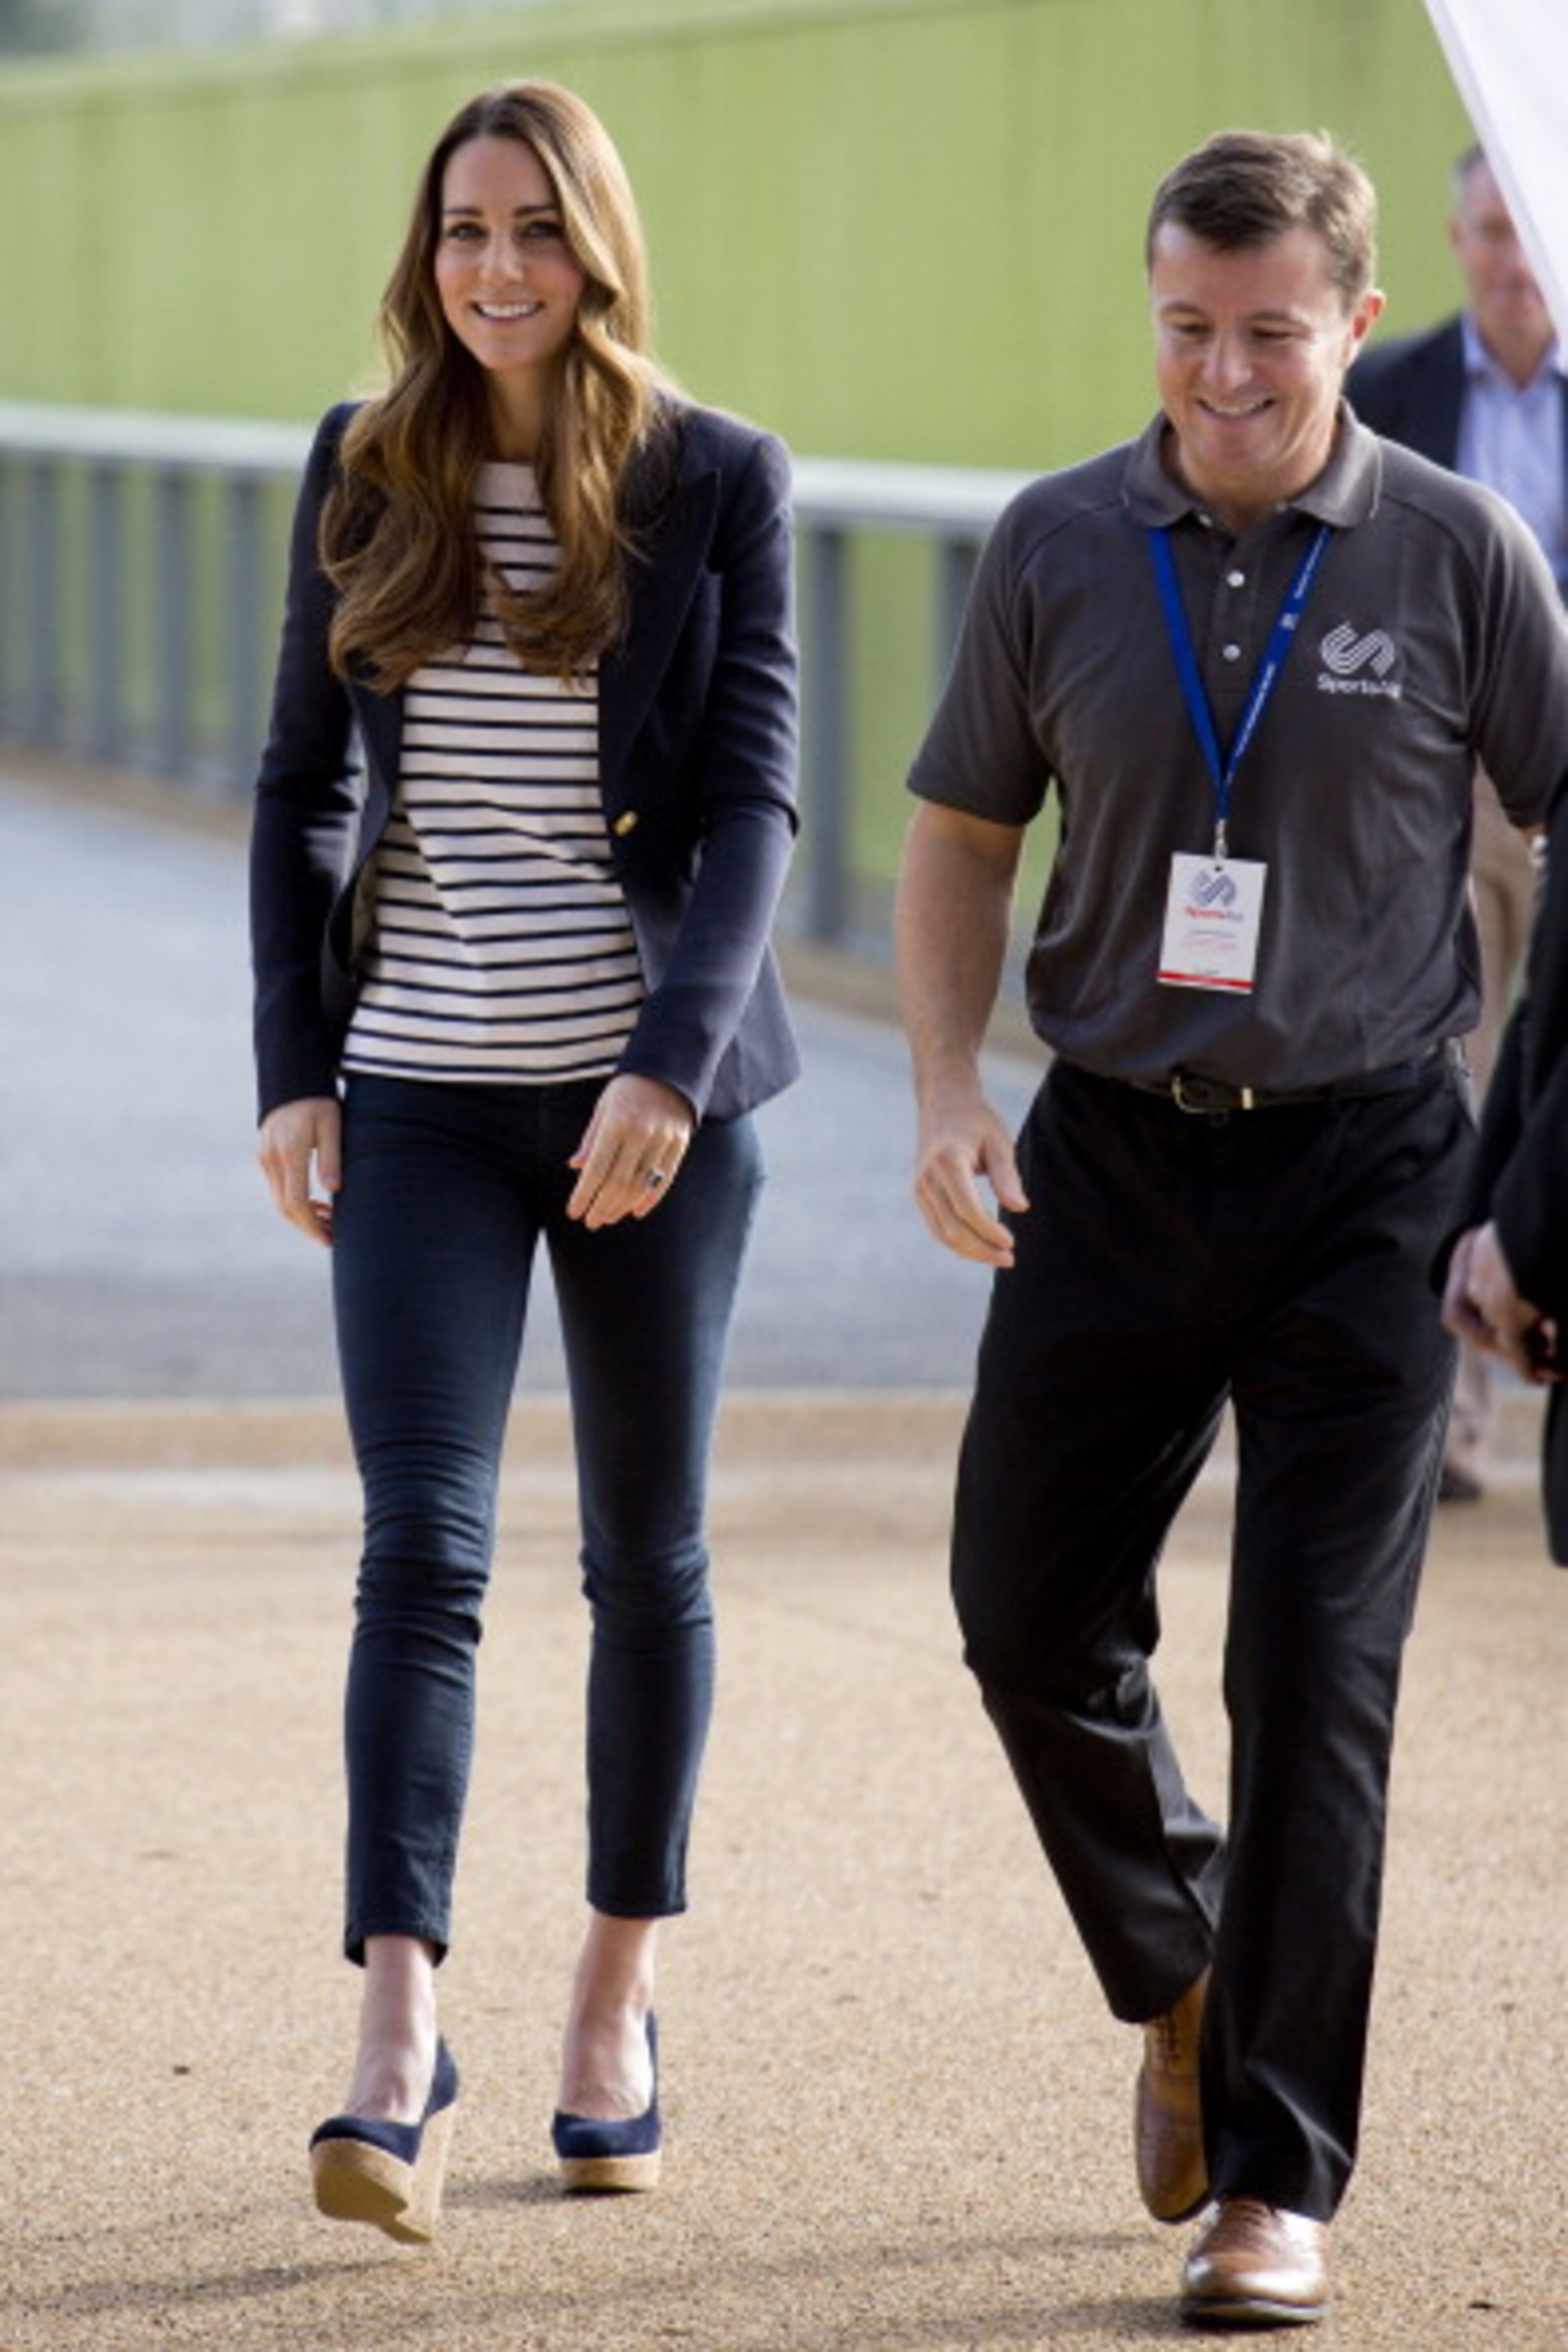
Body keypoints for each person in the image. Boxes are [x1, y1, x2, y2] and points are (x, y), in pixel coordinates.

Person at [894, 129, 1568, 2330]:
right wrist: (939, 1089)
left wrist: (1527, 1181)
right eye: (1185, 327)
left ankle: (1276, 2180)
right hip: (1107, 1150)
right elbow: (964, 832)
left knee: (1317, 1674)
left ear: (1361, 323)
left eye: (1267, 333)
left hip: (1372, 1168)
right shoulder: (1058, 541)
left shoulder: (1467, 555)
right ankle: (1178, 1951)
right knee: (1020, 1609)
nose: (1221, 373)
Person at [250, 79, 799, 2242]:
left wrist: (668, 1068)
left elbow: (756, 804)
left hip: (650, 1105)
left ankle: (609, 2009)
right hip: (417, 1098)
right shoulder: (362, 465)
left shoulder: (713, 482)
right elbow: (300, 782)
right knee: (425, 1551)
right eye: (463, 229)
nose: (494, 268)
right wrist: (295, 1068)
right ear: (429, 249)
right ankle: (397, 2044)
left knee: (645, 1557)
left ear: (596, 251)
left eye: (533, 232)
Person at [1352, 143, 1568, 1502]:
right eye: (1490, 229)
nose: (1512, 256)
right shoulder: (1386, 392)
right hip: (1446, 785)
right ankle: (1454, 1420)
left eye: (1532, 228)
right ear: (1454, 238)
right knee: (1468, 1075)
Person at [1442, 761, 1568, 1560]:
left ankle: (1443, 1422)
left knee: (1453, 1074)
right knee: (1468, 1070)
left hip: (1491, 764)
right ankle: (1446, 1422)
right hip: (1486, 774)